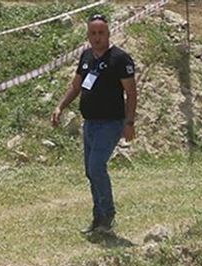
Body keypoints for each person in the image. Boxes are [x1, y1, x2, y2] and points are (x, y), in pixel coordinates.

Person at [51, 13, 138, 235]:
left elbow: (131, 92)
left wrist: (129, 122)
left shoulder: (120, 59)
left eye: (101, 33)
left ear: (108, 33)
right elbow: (76, 86)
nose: (97, 37)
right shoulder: (86, 56)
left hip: (111, 123)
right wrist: (60, 106)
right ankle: (98, 217)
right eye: (93, 33)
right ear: (88, 35)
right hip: (89, 123)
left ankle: (108, 215)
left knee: (97, 166)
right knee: (90, 171)